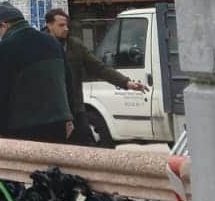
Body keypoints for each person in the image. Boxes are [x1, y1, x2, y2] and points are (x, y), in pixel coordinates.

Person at [44, 9, 144, 147]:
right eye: (61, 25)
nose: (66, 29)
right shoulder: (40, 46)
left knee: (87, 144)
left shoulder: (75, 46)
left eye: (67, 25)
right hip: (52, 110)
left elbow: (99, 68)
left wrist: (126, 82)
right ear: (49, 26)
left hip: (75, 108)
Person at [0, 2, 73, 143]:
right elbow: (68, 83)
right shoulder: (53, 43)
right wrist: (69, 117)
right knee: (53, 165)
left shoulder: (4, 49)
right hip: (58, 124)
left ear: (4, 25)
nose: (0, 35)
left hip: (23, 127)